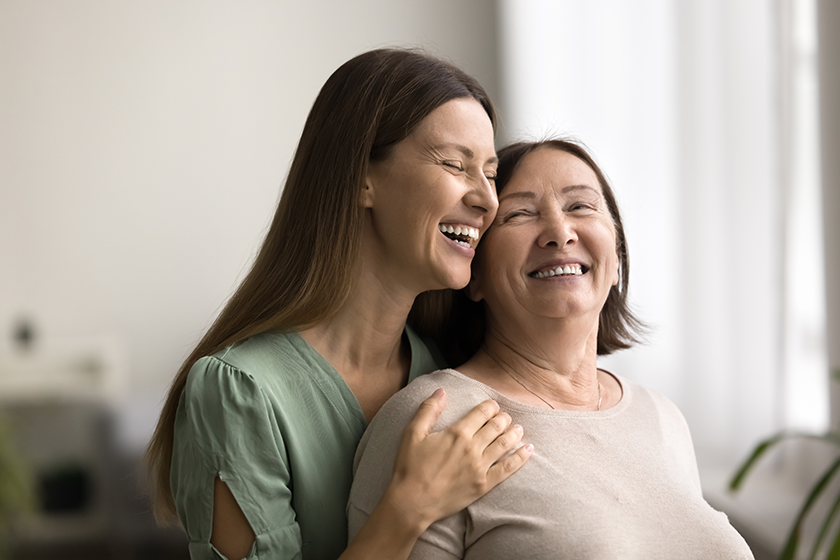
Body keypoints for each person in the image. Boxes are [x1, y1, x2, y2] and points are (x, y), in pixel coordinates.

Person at [145, 48, 534, 560]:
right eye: (455, 165)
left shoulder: (448, 368)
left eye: (489, 172)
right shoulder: (239, 393)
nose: (487, 199)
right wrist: (407, 509)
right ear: (361, 178)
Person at [348, 139, 755, 559]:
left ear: (616, 258)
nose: (560, 233)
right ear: (474, 273)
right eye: (519, 214)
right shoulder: (438, 418)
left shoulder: (663, 417)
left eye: (580, 206)